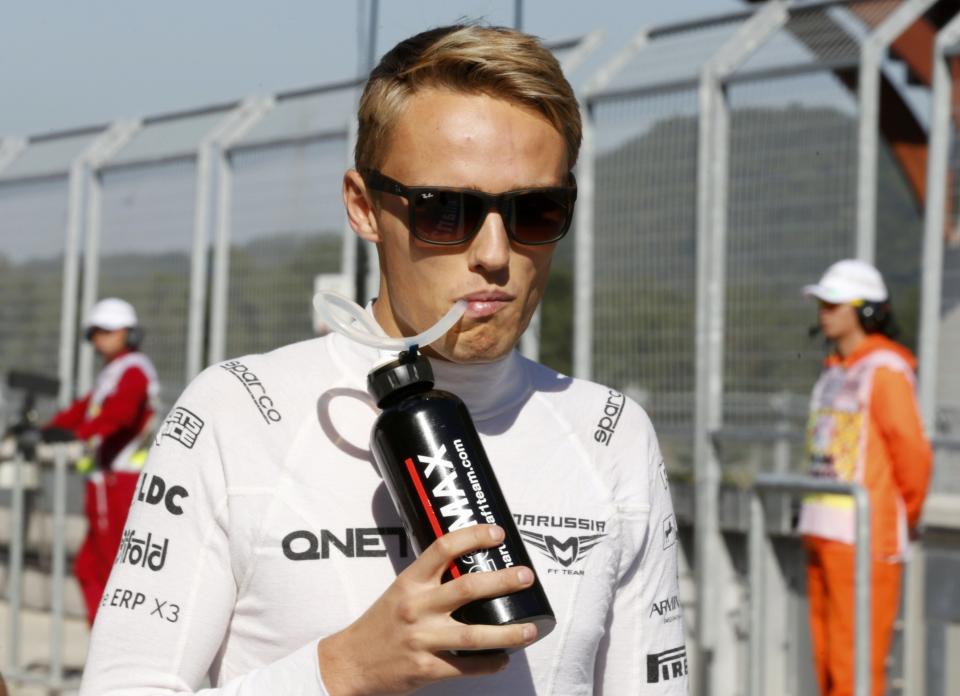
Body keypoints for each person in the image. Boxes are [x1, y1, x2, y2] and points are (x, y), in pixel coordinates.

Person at [79, 25, 688, 695]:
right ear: (364, 206)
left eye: (535, 211)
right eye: (445, 210)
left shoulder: (609, 433)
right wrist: (341, 670)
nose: (494, 252)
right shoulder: (241, 409)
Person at [799, 259, 932, 696]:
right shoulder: (835, 368)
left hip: (864, 540)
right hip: (823, 535)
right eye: (823, 303)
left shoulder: (886, 371)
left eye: (835, 304)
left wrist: (899, 518)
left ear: (867, 310)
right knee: (828, 667)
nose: (825, 312)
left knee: (856, 666)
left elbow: (912, 455)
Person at [43, 297, 159, 625]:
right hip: (104, 484)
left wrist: (80, 434)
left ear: (130, 333)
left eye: (109, 330)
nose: (100, 338)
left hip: (121, 484)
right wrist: (48, 431)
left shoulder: (134, 369)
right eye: (95, 332)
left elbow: (120, 414)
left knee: (112, 571)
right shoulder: (114, 371)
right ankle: (102, 644)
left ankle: (120, 648)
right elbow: (84, 409)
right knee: (88, 567)